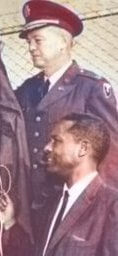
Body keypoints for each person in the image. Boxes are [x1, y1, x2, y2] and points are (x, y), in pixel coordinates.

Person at [0, 112, 118, 256]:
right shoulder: (55, 203)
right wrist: (9, 223)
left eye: (56, 140)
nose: (47, 147)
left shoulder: (111, 206)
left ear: (82, 149)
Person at [14, 0, 118, 220]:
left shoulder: (91, 88)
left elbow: (110, 156)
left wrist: (104, 213)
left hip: (74, 209)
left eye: (38, 40)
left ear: (62, 42)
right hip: (28, 209)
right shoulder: (27, 90)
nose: (31, 47)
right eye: (29, 41)